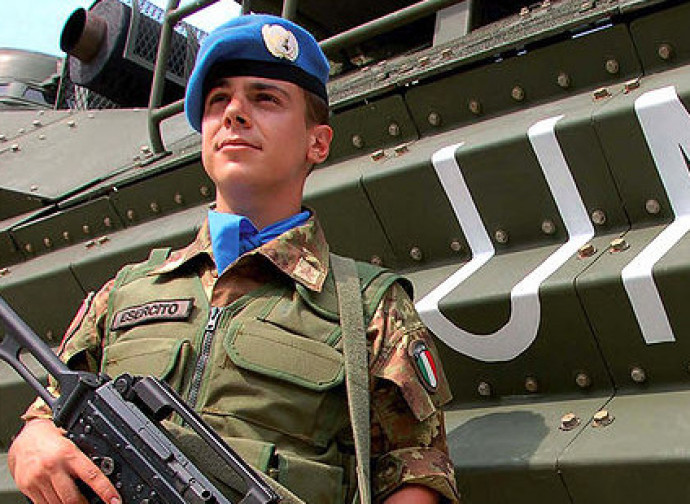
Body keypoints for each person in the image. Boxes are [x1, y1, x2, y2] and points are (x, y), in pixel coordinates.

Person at [8, 13, 460, 504]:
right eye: (218, 99)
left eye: (266, 98)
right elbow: (44, 418)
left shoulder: (368, 307)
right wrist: (32, 445)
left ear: (318, 141)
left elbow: (418, 469)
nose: (235, 113)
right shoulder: (124, 292)